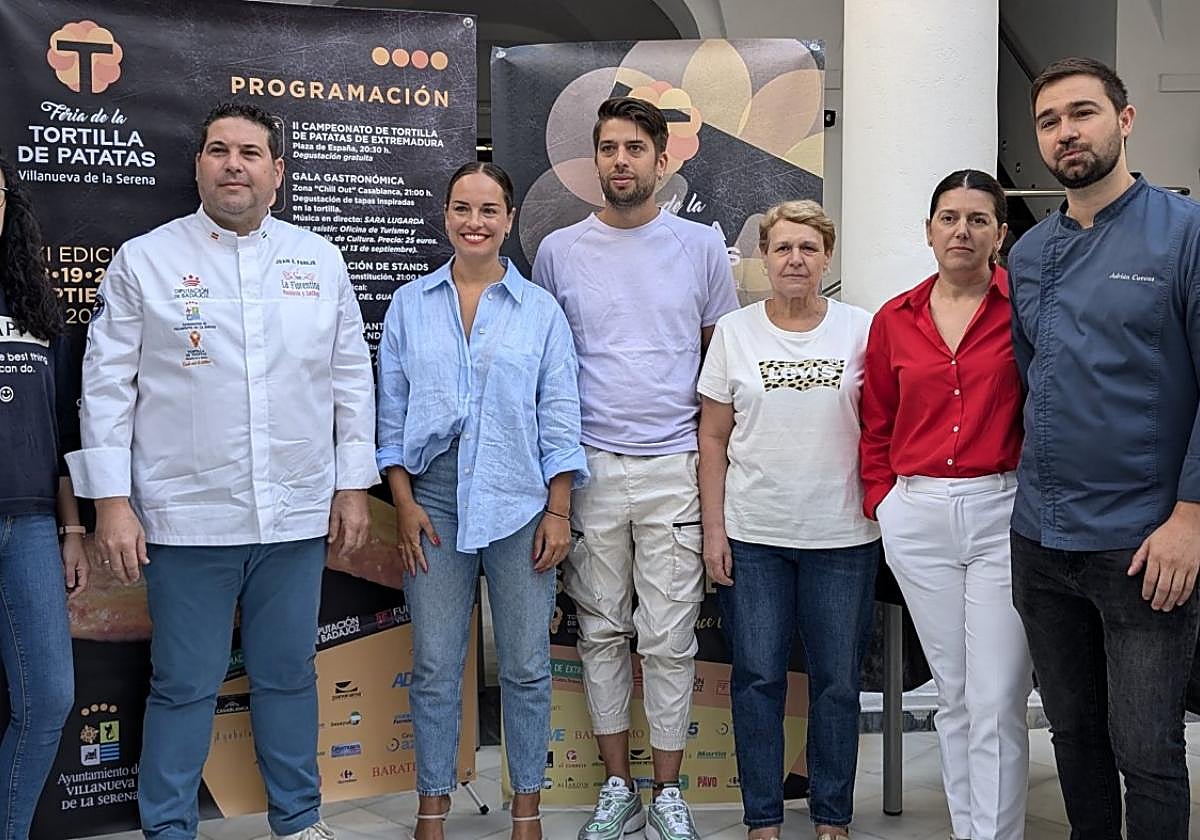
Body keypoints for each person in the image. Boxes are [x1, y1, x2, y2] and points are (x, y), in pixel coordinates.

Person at [66, 102, 377, 840]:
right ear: (199, 165)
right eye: (217, 151)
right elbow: (107, 387)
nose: (232, 164)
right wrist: (111, 501)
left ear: (277, 173)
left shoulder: (317, 259)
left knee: (288, 676)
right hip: (186, 517)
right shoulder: (147, 259)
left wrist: (352, 485)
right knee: (183, 685)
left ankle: (299, 821)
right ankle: (168, 828)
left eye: (248, 152)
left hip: (296, 514)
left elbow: (350, 381)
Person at [532, 96, 739, 840]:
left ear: (661, 158)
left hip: (674, 466)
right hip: (589, 466)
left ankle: (670, 791)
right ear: (597, 160)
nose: (621, 160)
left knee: (670, 639)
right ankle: (618, 787)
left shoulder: (701, 248)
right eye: (609, 148)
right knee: (600, 632)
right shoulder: (560, 251)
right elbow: (548, 367)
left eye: (634, 148)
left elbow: (720, 359)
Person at [1007, 56, 1200, 839]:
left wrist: (1190, 515)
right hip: (1041, 540)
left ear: (1124, 120)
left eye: (1081, 114)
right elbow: (1035, 383)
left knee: (1146, 749)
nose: (1065, 133)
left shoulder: (1184, 233)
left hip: (1144, 541)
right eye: (1049, 122)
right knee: (1075, 739)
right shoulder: (1025, 254)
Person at [376, 161, 587, 840]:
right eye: (463, 208)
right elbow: (392, 415)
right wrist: (403, 503)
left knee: (526, 664)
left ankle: (527, 807)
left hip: (519, 498)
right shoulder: (411, 304)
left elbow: (559, 415)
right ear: (445, 215)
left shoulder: (539, 311)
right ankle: (431, 806)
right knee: (436, 662)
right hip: (431, 501)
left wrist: (558, 509)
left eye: (489, 210)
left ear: (508, 219)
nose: (475, 222)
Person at [697, 200, 880, 840]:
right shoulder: (735, 333)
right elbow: (713, 438)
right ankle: (762, 818)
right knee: (756, 680)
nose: (795, 259)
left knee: (835, 683)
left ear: (826, 256)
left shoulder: (862, 330)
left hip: (844, 538)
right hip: (754, 538)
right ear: (763, 259)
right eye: (782, 248)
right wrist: (714, 531)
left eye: (808, 247)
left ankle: (832, 815)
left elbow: (883, 427)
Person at [859, 170, 1032, 840]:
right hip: (918, 516)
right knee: (955, 696)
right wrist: (884, 504)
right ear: (928, 230)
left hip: (1002, 513)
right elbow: (876, 422)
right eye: (949, 217)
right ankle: (973, 831)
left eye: (978, 219)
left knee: (996, 698)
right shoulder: (894, 319)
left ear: (1000, 234)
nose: (962, 231)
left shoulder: (1025, 309)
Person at [0, 152, 89, 840]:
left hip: (29, 525)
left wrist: (71, 529)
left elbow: (61, 427)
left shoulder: (33, 301)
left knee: (50, 697)